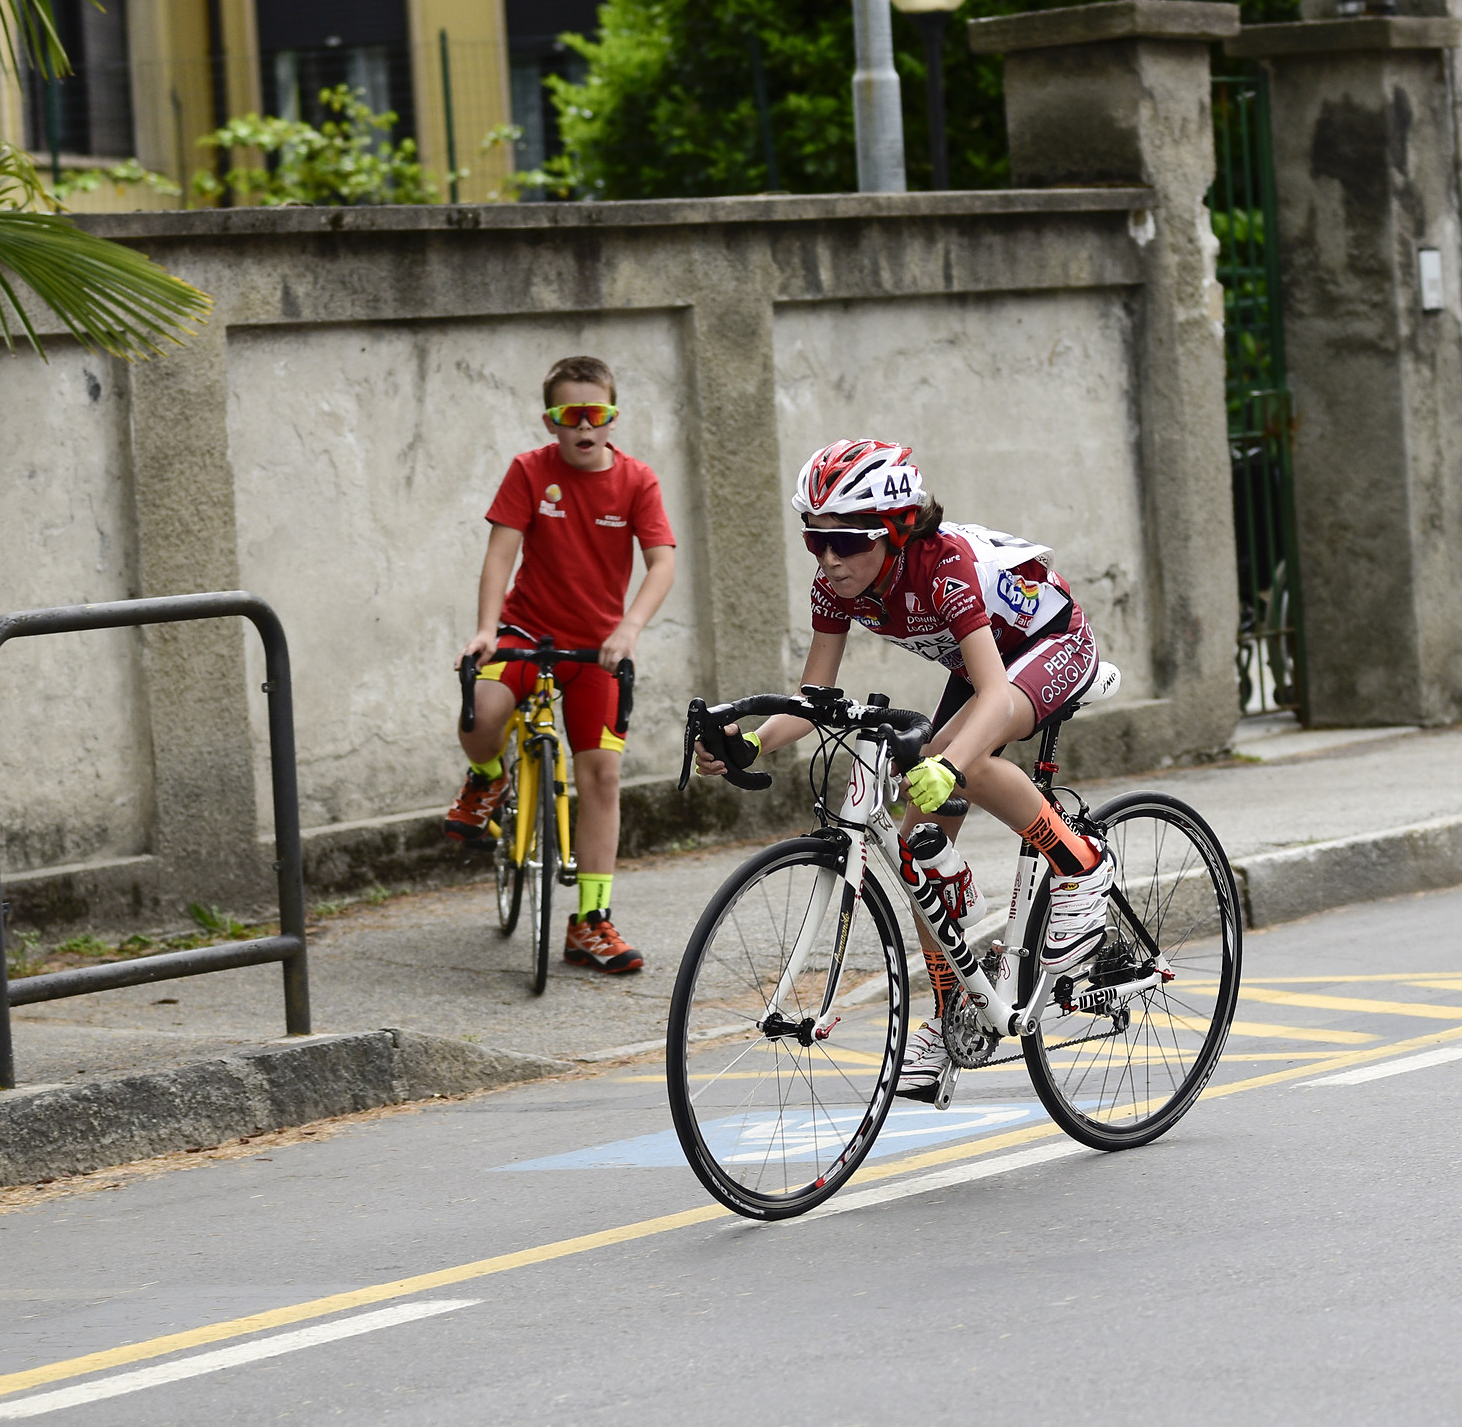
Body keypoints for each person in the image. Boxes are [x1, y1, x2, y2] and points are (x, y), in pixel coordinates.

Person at [694, 438, 1115, 1100]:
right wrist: (750, 744)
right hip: (984, 671)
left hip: (1050, 644)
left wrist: (950, 762)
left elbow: (996, 693)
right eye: (815, 541)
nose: (830, 559)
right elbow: (816, 700)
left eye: (848, 541)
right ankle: (953, 1020)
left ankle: (1081, 865)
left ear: (894, 531)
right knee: (920, 841)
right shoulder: (837, 586)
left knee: (961, 765)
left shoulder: (941, 566)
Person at [445, 356, 678, 975]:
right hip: (525, 632)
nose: (582, 426)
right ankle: (488, 777)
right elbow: (500, 555)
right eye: (568, 415)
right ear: (551, 421)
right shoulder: (528, 471)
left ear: (611, 419)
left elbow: (662, 564)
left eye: (594, 414)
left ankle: (591, 921)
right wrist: (487, 630)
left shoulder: (636, 481)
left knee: (600, 775)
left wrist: (629, 629)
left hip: (597, 648)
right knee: (480, 715)